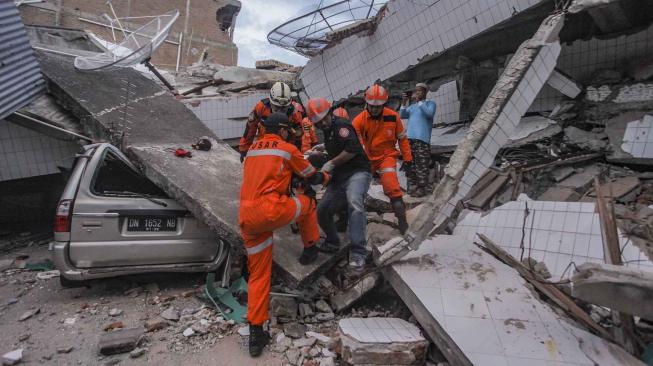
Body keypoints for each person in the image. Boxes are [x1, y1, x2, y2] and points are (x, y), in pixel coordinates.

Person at [239, 113, 329, 357]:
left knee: (259, 275)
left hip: (247, 218)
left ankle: (256, 334)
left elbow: (268, 177)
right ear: (281, 130)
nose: (290, 133)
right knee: (308, 202)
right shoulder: (287, 148)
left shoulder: (252, 150)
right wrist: (328, 173)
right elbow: (313, 175)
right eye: (288, 130)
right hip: (270, 211)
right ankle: (311, 246)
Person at [306, 98, 371, 272]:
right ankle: (333, 242)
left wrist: (332, 163)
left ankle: (358, 252)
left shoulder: (341, 126)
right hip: (340, 176)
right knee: (322, 211)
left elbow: (351, 150)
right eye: (319, 123)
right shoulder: (327, 130)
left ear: (330, 113)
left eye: (325, 119)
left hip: (357, 172)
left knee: (355, 203)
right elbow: (336, 146)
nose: (323, 123)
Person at [352, 84, 413, 234]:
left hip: (387, 156)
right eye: (371, 106)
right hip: (366, 158)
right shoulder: (359, 121)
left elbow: (402, 139)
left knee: (393, 189)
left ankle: (403, 222)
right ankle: (352, 221)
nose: (374, 109)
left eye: (377, 107)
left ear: (384, 105)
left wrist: (408, 159)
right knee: (356, 190)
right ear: (366, 103)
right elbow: (356, 145)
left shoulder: (393, 116)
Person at [238, 82, 303, 162]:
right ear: (271, 101)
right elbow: (250, 127)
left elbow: (298, 137)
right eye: (277, 107)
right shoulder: (262, 107)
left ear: (289, 104)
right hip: (264, 147)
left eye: (283, 108)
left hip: (284, 151)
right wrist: (244, 149)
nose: (280, 111)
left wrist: (296, 157)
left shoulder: (294, 113)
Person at [400, 83, 436, 197]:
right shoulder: (412, 106)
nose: (417, 93)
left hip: (422, 139)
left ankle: (421, 189)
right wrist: (404, 102)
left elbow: (429, 114)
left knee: (421, 164)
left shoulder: (430, 104)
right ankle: (412, 187)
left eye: (420, 91)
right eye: (416, 91)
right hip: (409, 139)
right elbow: (402, 115)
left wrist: (419, 101)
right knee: (410, 163)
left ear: (425, 92)